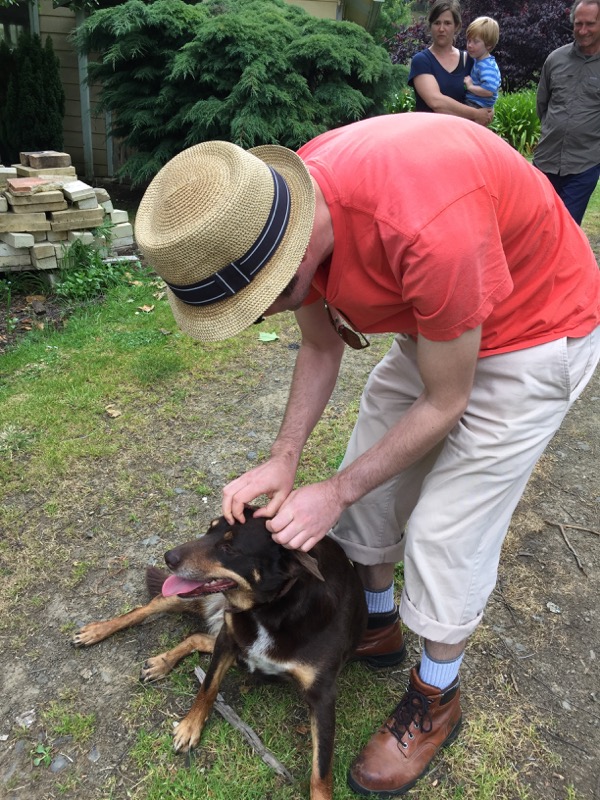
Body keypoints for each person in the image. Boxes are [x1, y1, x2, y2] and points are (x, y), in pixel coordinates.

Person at [134, 113, 600, 797]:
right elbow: (323, 345)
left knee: (446, 527)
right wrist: (286, 457)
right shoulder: (279, 206)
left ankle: (437, 698)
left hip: (535, 329)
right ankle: (378, 626)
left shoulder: (422, 228)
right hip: (442, 325)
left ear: (292, 255)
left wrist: (339, 488)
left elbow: (448, 401)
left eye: (267, 303)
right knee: (367, 480)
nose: (266, 318)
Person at [533, 0, 600, 225]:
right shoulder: (556, 59)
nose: (583, 31)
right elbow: (542, 104)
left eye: (589, 24)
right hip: (546, 160)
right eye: (578, 24)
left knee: (566, 227)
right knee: (536, 222)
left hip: (584, 164)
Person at [407, 0, 493, 125]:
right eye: (437, 23)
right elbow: (436, 102)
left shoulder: (470, 61)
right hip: (429, 138)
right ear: (430, 26)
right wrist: (476, 114)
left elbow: (488, 99)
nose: (441, 29)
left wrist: (487, 113)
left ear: (457, 26)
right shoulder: (421, 61)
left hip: (462, 138)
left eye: (447, 23)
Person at [463, 16, 501, 109]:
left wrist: (470, 86)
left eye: (475, 42)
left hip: (477, 105)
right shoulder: (479, 60)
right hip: (474, 102)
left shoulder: (487, 67)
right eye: (469, 40)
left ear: (488, 45)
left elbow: (488, 91)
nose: (470, 45)